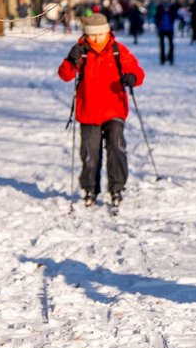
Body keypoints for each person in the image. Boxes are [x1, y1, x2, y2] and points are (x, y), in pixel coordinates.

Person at [58, 14, 145, 207]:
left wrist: (132, 77)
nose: (96, 39)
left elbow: (138, 72)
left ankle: (117, 187)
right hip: (88, 110)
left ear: (107, 32)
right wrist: (70, 60)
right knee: (89, 154)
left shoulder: (117, 50)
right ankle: (90, 188)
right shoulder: (81, 52)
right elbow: (65, 75)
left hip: (114, 109)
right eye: (92, 35)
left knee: (116, 147)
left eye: (100, 34)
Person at [155, 0, 175, 65]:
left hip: (170, 30)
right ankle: (162, 60)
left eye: (167, 6)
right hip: (162, 30)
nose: (166, 8)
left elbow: (175, 16)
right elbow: (156, 19)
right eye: (165, 6)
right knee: (162, 46)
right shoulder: (160, 12)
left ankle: (170, 59)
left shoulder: (171, 12)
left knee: (171, 46)